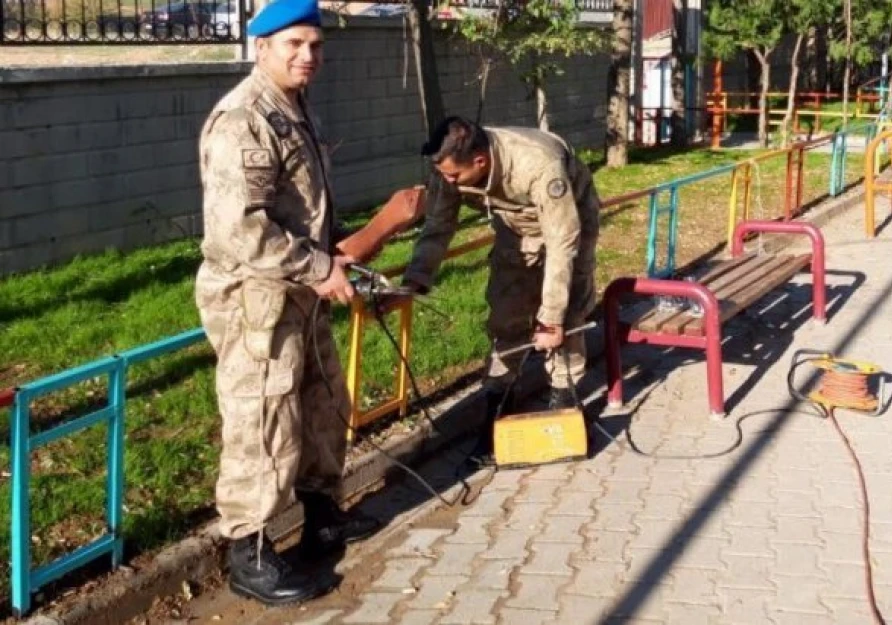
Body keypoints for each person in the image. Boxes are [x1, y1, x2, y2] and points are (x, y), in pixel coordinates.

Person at [195, 0, 421, 606]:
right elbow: (237, 231)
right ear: (261, 46)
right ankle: (251, 552)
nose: (308, 56)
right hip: (257, 300)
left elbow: (304, 208)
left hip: (303, 292)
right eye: (294, 44)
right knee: (262, 419)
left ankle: (324, 516)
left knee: (321, 403)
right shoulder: (244, 119)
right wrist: (319, 265)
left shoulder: (294, 109)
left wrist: (332, 259)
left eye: (316, 46)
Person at [400, 117, 601, 464]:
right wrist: (417, 276)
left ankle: (563, 402)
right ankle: (498, 410)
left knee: (566, 314)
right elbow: (439, 224)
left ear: (480, 162)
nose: (447, 182)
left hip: (569, 221)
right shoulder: (449, 165)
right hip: (514, 227)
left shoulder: (538, 165)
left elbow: (561, 241)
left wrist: (551, 318)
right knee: (506, 315)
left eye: (454, 177)